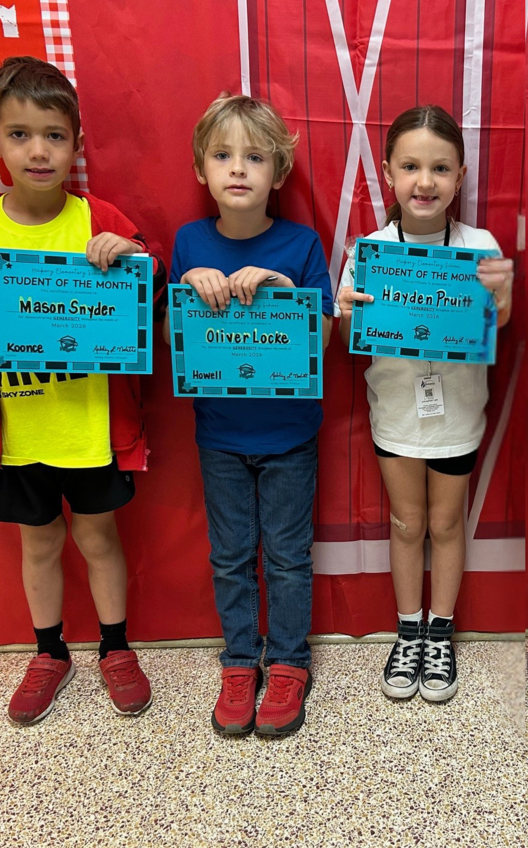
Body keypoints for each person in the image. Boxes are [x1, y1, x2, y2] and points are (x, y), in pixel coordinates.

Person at [0, 56, 167, 725]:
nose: (38, 149)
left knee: (100, 540)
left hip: (91, 428)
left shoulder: (99, 219)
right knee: (39, 543)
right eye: (20, 134)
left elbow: (154, 313)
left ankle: (115, 646)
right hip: (16, 435)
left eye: (53, 134)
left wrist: (139, 263)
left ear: (76, 143)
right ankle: (49, 651)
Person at [164, 94, 334, 736]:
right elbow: (171, 335)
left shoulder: (301, 243)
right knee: (231, 556)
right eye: (223, 155)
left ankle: (289, 661)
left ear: (279, 174)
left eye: (255, 157)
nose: (239, 169)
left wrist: (290, 298)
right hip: (220, 434)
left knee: (288, 556)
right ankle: (240, 661)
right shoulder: (188, 242)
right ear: (201, 170)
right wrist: (191, 286)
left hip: (291, 435)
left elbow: (322, 338)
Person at [335, 105, 514, 702]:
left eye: (440, 168)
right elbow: (346, 343)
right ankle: (407, 627)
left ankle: (441, 630)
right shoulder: (371, 250)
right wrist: (347, 311)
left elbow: (501, 325)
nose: (424, 181)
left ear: (460, 177)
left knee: (445, 522)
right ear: (387, 172)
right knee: (406, 523)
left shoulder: (480, 246)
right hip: (396, 414)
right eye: (410, 166)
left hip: (459, 415)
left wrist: (503, 293)